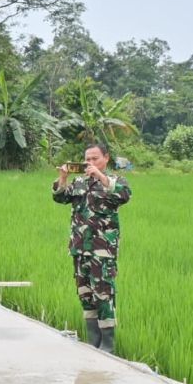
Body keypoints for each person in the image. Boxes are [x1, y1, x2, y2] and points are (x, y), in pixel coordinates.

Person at [52, 144, 132, 353]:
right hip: (80, 249)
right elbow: (60, 197)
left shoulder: (115, 182)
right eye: (87, 159)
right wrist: (63, 177)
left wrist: (100, 177)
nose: (90, 163)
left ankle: (108, 345)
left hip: (101, 250)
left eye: (95, 159)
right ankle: (93, 342)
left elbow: (124, 196)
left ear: (106, 158)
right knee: (85, 294)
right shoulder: (79, 183)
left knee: (103, 295)